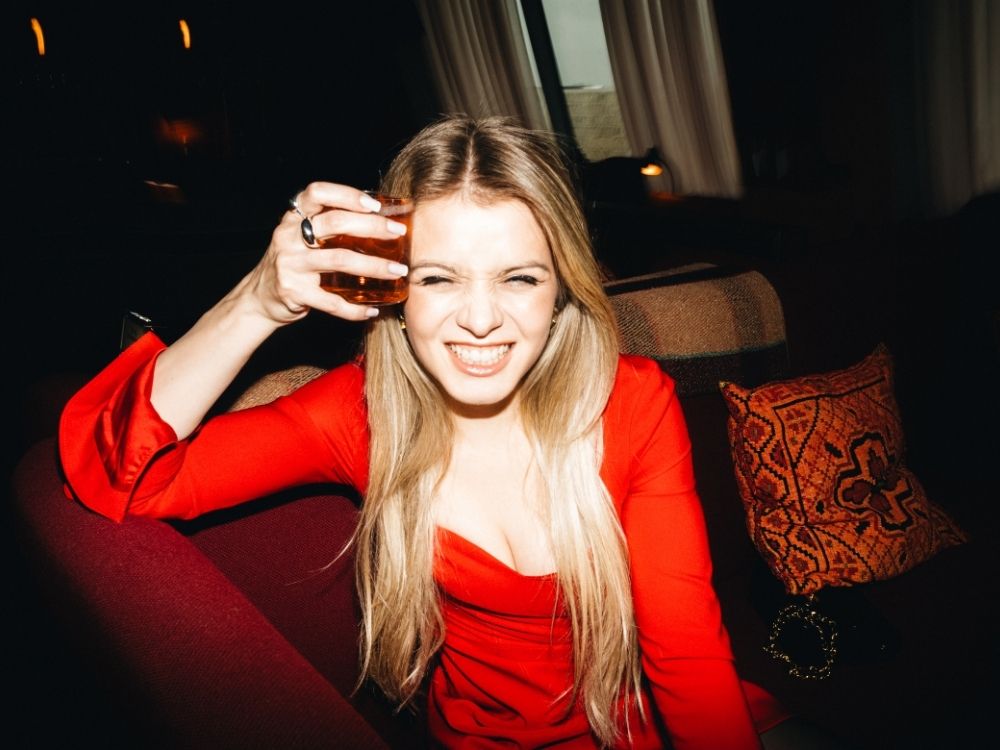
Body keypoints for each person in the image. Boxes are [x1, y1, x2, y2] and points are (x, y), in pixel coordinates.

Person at [60, 115, 797, 749]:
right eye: (438, 278)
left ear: (564, 287)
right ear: (393, 290)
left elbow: (689, 657)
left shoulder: (632, 403)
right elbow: (125, 474)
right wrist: (259, 303)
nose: (480, 320)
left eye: (519, 277)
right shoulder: (359, 415)